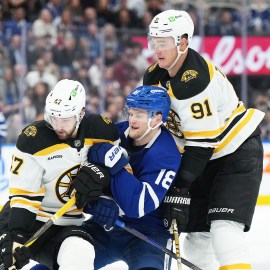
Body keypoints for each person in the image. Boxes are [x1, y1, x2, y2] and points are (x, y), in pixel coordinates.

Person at [143, 9, 265, 270]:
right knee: (198, 237)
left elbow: (201, 144)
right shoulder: (154, 74)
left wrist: (180, 187)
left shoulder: (195, 82)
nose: (156, 48)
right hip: (202, 157)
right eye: (153, 41)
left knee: (224, 228)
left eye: (162, 43)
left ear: (183, 42)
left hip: (235, 152)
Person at [0, 79, 120, 270]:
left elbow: (119, 169)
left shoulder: (102, 130)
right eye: (53, 118)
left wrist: (104, 184)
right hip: (27, 219)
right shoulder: (33, 139)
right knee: (7, 259)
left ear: (81, 113)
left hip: (67, 224)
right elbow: (24, 198)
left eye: (65, 119)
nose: (58, 125)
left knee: (80, 254)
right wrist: (17, 236)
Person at [83, 85, 181, 270]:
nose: (132, 120)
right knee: (60, 261)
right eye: (131, 112)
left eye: (140, 115)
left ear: (157, 119)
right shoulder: (114, 134)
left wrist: (115, 162)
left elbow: (138, 205)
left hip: (148, 232)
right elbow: (80, 179)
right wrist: (95, 203)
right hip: (104, 225)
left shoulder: (166, 154)